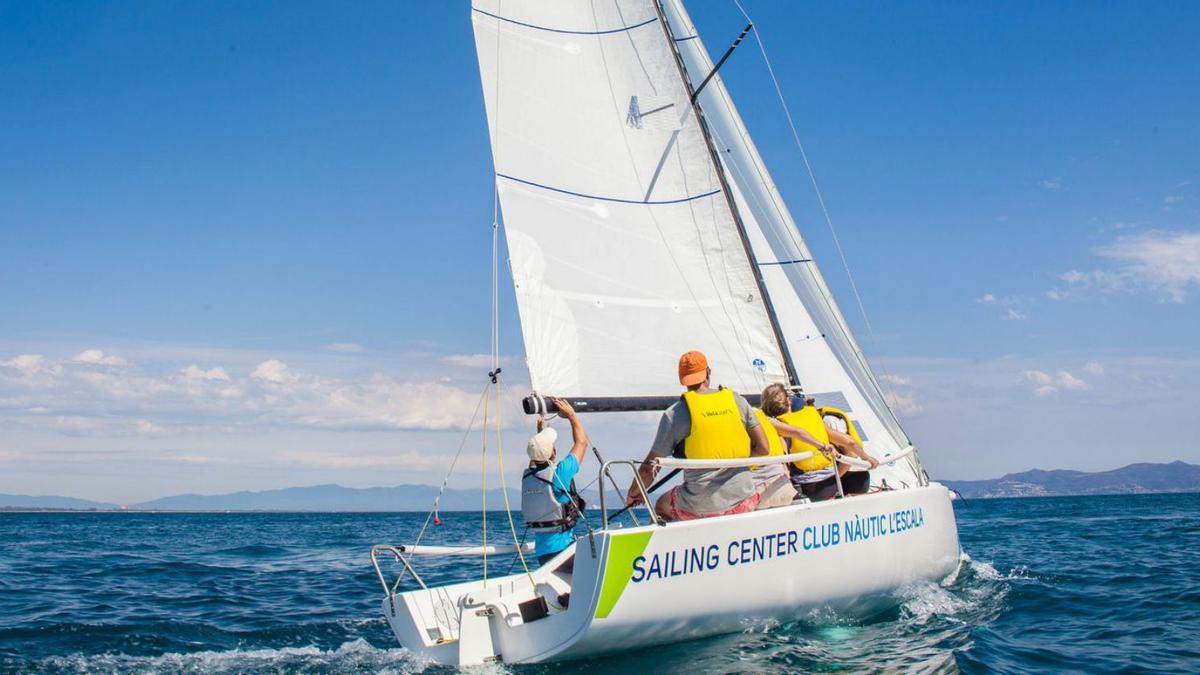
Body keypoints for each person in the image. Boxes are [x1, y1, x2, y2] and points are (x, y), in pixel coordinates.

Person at [625, 350, 770, 521]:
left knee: (661, 505)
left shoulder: (675, 413)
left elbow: (649, 467)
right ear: (708, 372)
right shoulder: (737, 400)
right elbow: (763, 449)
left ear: (682, 379)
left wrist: (635, 493)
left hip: (701, 506)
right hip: (744, 499)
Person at [760, 384, 879, 502]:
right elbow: (850, 443)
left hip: (806, 488)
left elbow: (784, 466)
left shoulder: (773, 425)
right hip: (832, 485)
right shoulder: (814, 417)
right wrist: (867, 458)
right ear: (788, 401)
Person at [521, 398, 588, 569]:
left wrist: (539, 435)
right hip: (564, 553)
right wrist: (572, 415)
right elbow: (581, 443)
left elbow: (536, 459)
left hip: (542, 555)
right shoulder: (561, 473)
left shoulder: (528, 476)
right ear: (554, 452)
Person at [751, 385, 838, 509]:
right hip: (822, 483)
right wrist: (822, 446)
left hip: (766, 484)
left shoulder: (761, 420)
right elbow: (798, 432)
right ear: (787, 401)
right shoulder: (775, 423)